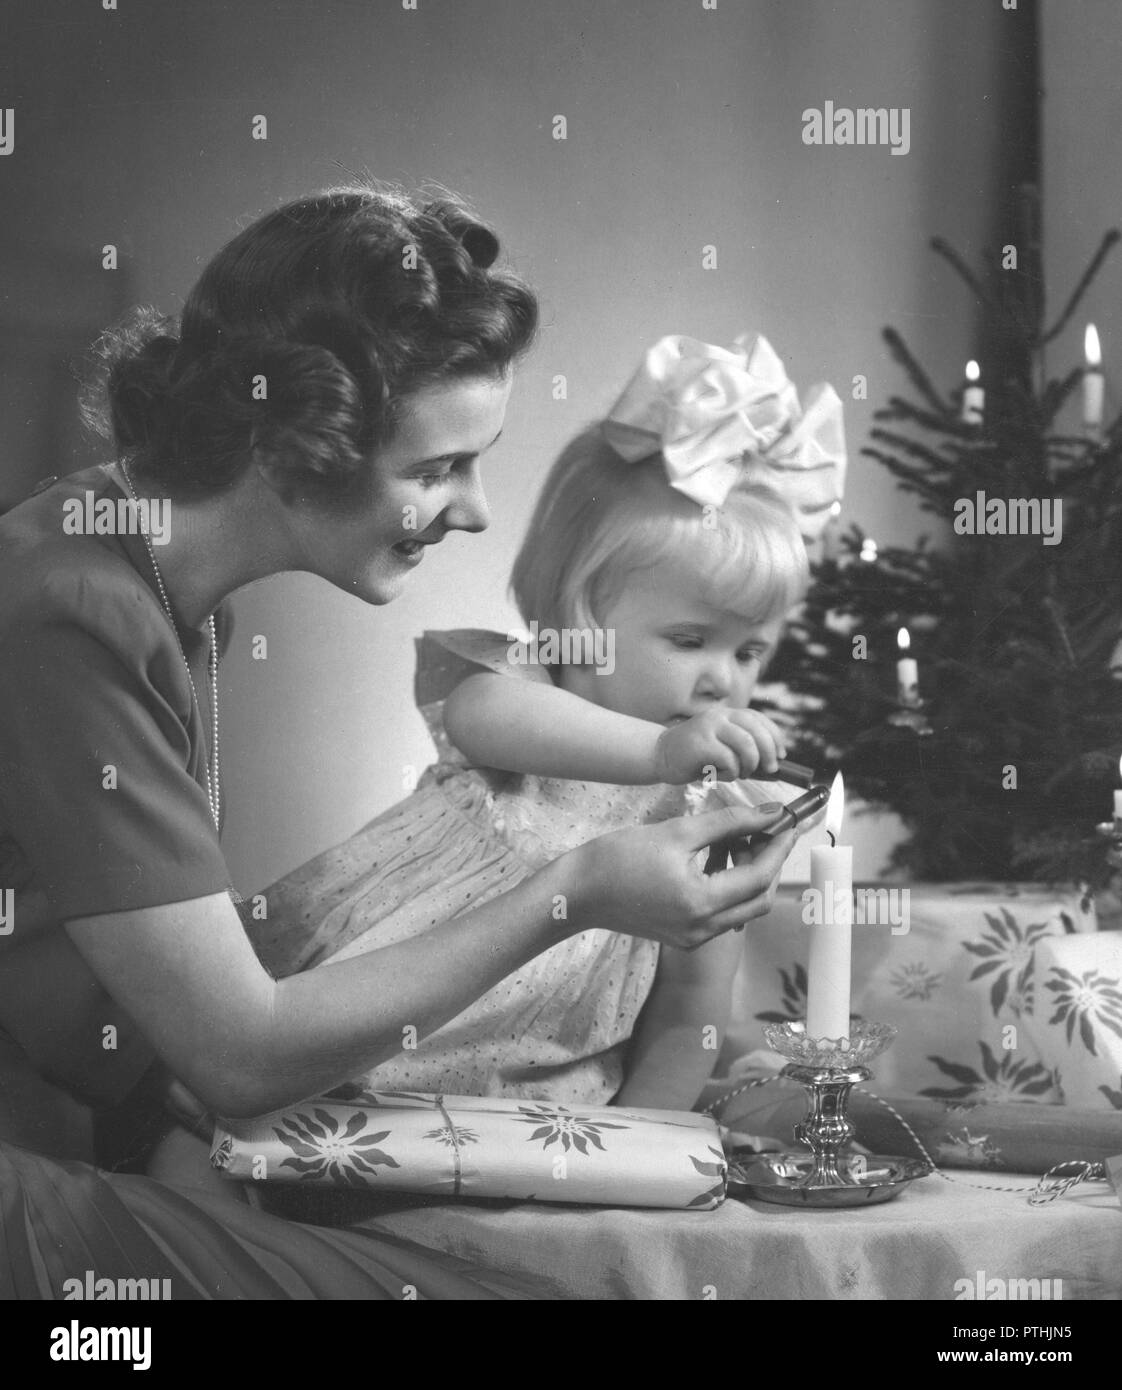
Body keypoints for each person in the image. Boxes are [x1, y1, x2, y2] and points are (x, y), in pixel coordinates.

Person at [0, 187, 796, 1299]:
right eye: (437, 469)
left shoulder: (150, 581)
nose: (472, 509)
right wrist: (575, 890)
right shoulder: (69, 608)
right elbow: (235, 1051)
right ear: (293, 449)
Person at [253, 333, 846, 1117]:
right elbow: (481, 718)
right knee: (232, 1134)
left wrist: (641, 1144)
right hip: (357, 1038)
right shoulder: (522, 686)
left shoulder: (715, 811)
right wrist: (663, 752)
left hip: (536, 1107)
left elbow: (691, 1014)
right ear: (581, 612)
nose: (724, 679)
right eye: (690, 640)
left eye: (753, 651)